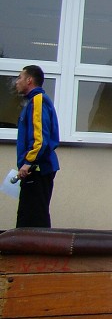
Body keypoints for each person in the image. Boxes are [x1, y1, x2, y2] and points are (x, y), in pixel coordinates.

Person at [15, 65, 60, 228]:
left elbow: (39, 138)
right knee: (29, 215)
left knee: (34, 218)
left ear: (29, 80)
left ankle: (39, 245)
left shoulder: (38, 101)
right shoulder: (32, 102)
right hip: (35, 169)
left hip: (38, 169)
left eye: (20, 77)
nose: (16, 82)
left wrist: (28, 162)